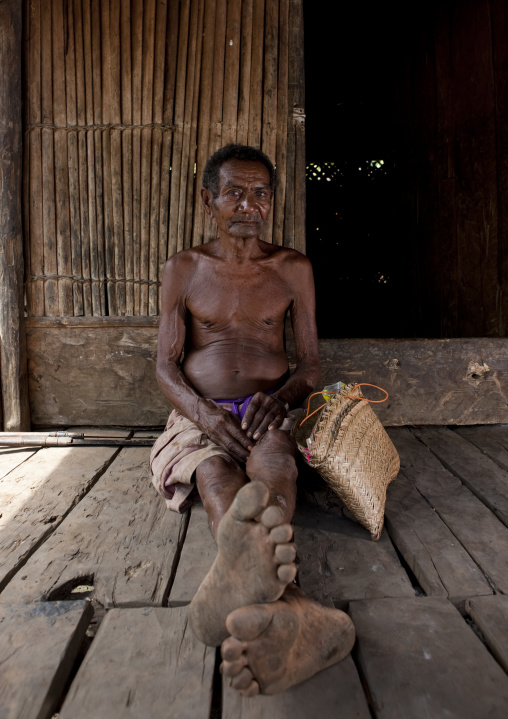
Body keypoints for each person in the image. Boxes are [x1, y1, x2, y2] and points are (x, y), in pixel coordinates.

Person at [151, 144, 355, 696]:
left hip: (269, 411)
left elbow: (311, 365)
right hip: (200, 416)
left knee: (274, 472)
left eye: (261, 193)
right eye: (236, 192)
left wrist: (284, 396)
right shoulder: (184, 268)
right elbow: (165, 366)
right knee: (217, 478)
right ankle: (293, 606)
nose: (250, 204)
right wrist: (203, 414)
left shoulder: (292, 269)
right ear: (208, 199)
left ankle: (254, 586)